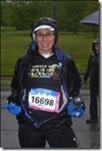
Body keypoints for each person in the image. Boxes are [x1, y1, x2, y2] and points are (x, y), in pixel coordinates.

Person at [2, 17, 85, 148]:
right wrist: (14, 102)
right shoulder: (24, 62)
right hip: (29, 124)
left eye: (48, 34)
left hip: (58, 123)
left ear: (55, 36)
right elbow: (16, 88)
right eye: (40, 34)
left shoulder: (65, 61)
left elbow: (74, 87)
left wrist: (76, 104)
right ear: (34, 37)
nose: (44, 39)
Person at [83, 39, 99, 124]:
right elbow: (89, 67)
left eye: (98, 45)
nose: (97, 47)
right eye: (95, 45)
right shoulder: (93, 56)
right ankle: (93, 116)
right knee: (93, 98)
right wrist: (86, 77)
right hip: (94, 79)